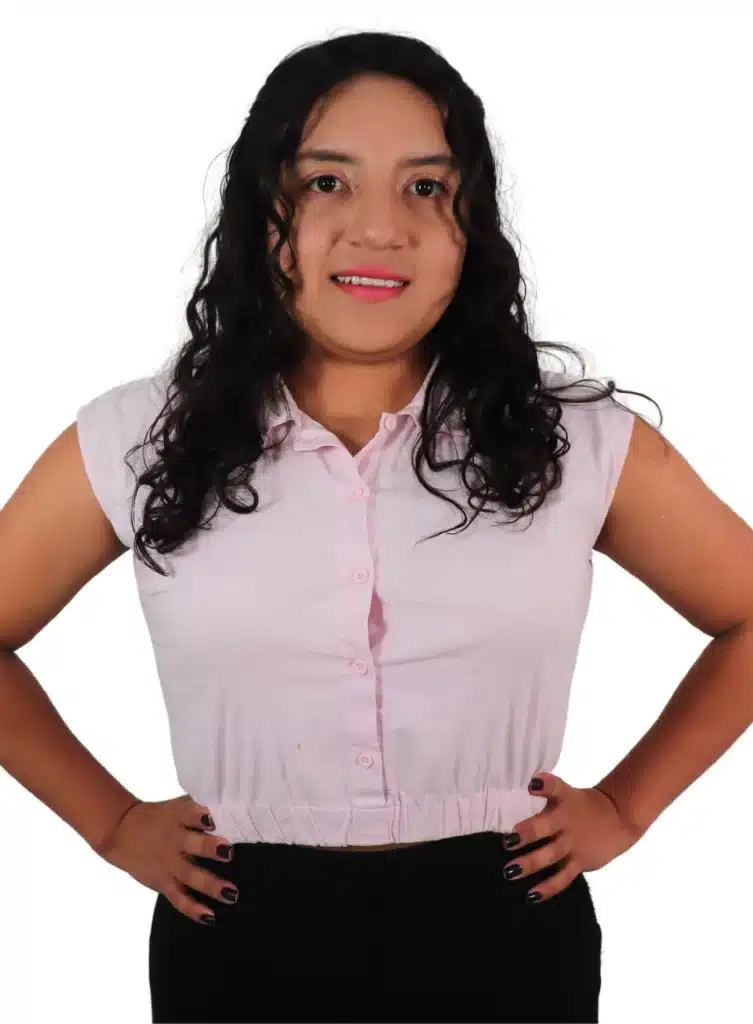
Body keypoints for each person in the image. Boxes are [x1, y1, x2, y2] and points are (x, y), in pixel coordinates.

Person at [3, 28, 753, 1024]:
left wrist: (626, 805)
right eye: (327, 183)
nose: (378, 227)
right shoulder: (139, 437)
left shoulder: (576, 440)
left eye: (425, 187)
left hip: (508, 931)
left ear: (471, 224)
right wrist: (109, 824)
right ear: (262, 210)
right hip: (237, 933)